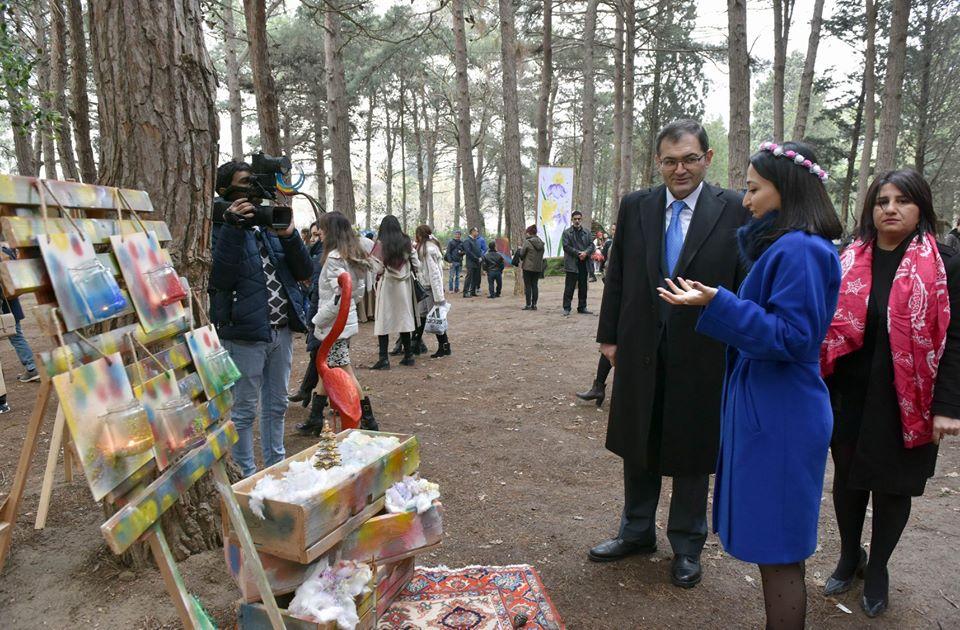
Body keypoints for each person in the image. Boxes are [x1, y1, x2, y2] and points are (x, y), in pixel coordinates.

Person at [660, 140, 843, 628]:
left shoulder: (801, 249)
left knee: (780, 549)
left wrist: (718, 303)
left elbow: (794, 336)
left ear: (784, 189)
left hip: (783, 414)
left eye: (754, 189)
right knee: (774, 546)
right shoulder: (789, 247)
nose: (746, 200)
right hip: (772, 407)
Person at [590, 119, 750, 590]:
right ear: (658, 162)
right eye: (670, 160)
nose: (680, 169)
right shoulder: (637, 205)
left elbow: (743, 282)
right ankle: (636, 532)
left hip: (704, 348)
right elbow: (617, 274)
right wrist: (609, 338)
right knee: (639, 441)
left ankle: (686, 544)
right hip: (640, 345)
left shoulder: (736, 209)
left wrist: (739, 341)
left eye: (690, 159)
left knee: (692, 448)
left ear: (708, 157)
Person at [821, 169, 960, 618]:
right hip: (848, 392)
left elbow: (955, 340)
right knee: (847, 481)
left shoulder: (945, 263)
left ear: (921, 208)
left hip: (910, 399)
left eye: (903, 200)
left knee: (893, 488)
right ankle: (849, 555)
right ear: (870, 208)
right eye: (882, 201)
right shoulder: (848, 256)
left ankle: (878, 566)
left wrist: (947, 407)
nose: (891, 209)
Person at [209, 160, 314, 477]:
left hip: (280, 333)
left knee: (277, 406)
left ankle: (275, 468)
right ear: (224, 190)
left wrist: (290, 235)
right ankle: (247, 475)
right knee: (242, 411)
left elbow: (304, 272)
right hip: (242, 335)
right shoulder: (216, 226)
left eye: (256, 185)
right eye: (244, 184)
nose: (252, 192)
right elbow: (221, 279)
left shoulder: (269, 224)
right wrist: (232, 228)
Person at [303, 211, 379, 432]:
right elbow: (356, 293)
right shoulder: (351, 255)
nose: (320, 234)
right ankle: (315, 419)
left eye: (323, 230)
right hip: (342, 323)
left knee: (344, 370)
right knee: (326, 367)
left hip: (335, 326)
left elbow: (340, 297)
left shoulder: (336, 258)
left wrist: (318, 320)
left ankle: (368, 420)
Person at [370, 215, 420, 369]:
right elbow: (416, 263)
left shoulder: (380, 245)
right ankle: (408, 356)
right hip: (404, 286)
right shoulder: (406, 242)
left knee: (383, 320)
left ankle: (384, 359)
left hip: (388, 286)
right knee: (404, 318)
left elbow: (377, 268)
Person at [289, 222, 324, 412]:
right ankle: (311, 396)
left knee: (330, 362)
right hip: (321, 314)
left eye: (318, 234)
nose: (314, 239)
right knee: (321, 358)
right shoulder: (317, 254)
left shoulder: (330, 256)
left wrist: (317, 319)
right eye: (312, 235)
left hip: (326, 318)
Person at [1, 243, 39, 383]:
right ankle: (31, 368)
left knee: (16, 336)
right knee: (17, 336)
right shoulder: (6, 251)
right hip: (11, 302)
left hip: (5, 304)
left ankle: (31, 368)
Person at [413, 225, 452, 358]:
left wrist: (439, 296)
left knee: (436, 318)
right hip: (426, 287)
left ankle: (444, 346)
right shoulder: (426, 246)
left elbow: (434, 273)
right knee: (423, 314)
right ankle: (416, 343)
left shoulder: (427, 250)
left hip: (430, 288)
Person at [561, 210, 595, 316]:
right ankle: (567, 308)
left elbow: (592, 245)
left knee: (583, 286)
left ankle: (582, 307)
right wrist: (578, 253)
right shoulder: (566, 232)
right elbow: (566, 246)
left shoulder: (587, 232)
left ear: (582, 219)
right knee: (569, 287)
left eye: (579, 219)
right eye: (575, 219)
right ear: (572, 220)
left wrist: (585, 253)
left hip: (584, 263)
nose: (577, 221)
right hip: (572, 263)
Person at [518, 225, 545, 310]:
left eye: (526, 233)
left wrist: (520, 249)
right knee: (535, 285)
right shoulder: (541, 242)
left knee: (528, 286)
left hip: (528, 268)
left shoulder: (528, 242)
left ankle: (528, 305)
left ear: (529, 233)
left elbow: (522, 254)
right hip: (537, 267)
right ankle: (534, 305)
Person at [462, 227, 483, 298]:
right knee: (469, 277)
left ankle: (472, 291)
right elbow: (468, 252)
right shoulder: (467, 241)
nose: (477, 233)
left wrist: (480, 258)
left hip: (477, 262)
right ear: (473, 232)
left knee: (475, 277)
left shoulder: (475, 240)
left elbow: (477, 250)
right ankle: (465, 292)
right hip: (471, 262)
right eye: (476, 231)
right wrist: (476, 258)